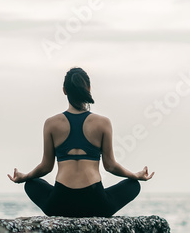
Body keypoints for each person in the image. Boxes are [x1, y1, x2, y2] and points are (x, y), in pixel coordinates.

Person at [8, 67, 154, 217]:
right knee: (133, 185)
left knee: (31, 184)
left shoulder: (51, 123)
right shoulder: (103, 123)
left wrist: (23, 177)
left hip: (60, 203)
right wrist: (135, 176)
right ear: (89, 89)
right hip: (96, 203)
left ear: (64, 90)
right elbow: (110, 166)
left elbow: (46, 167)